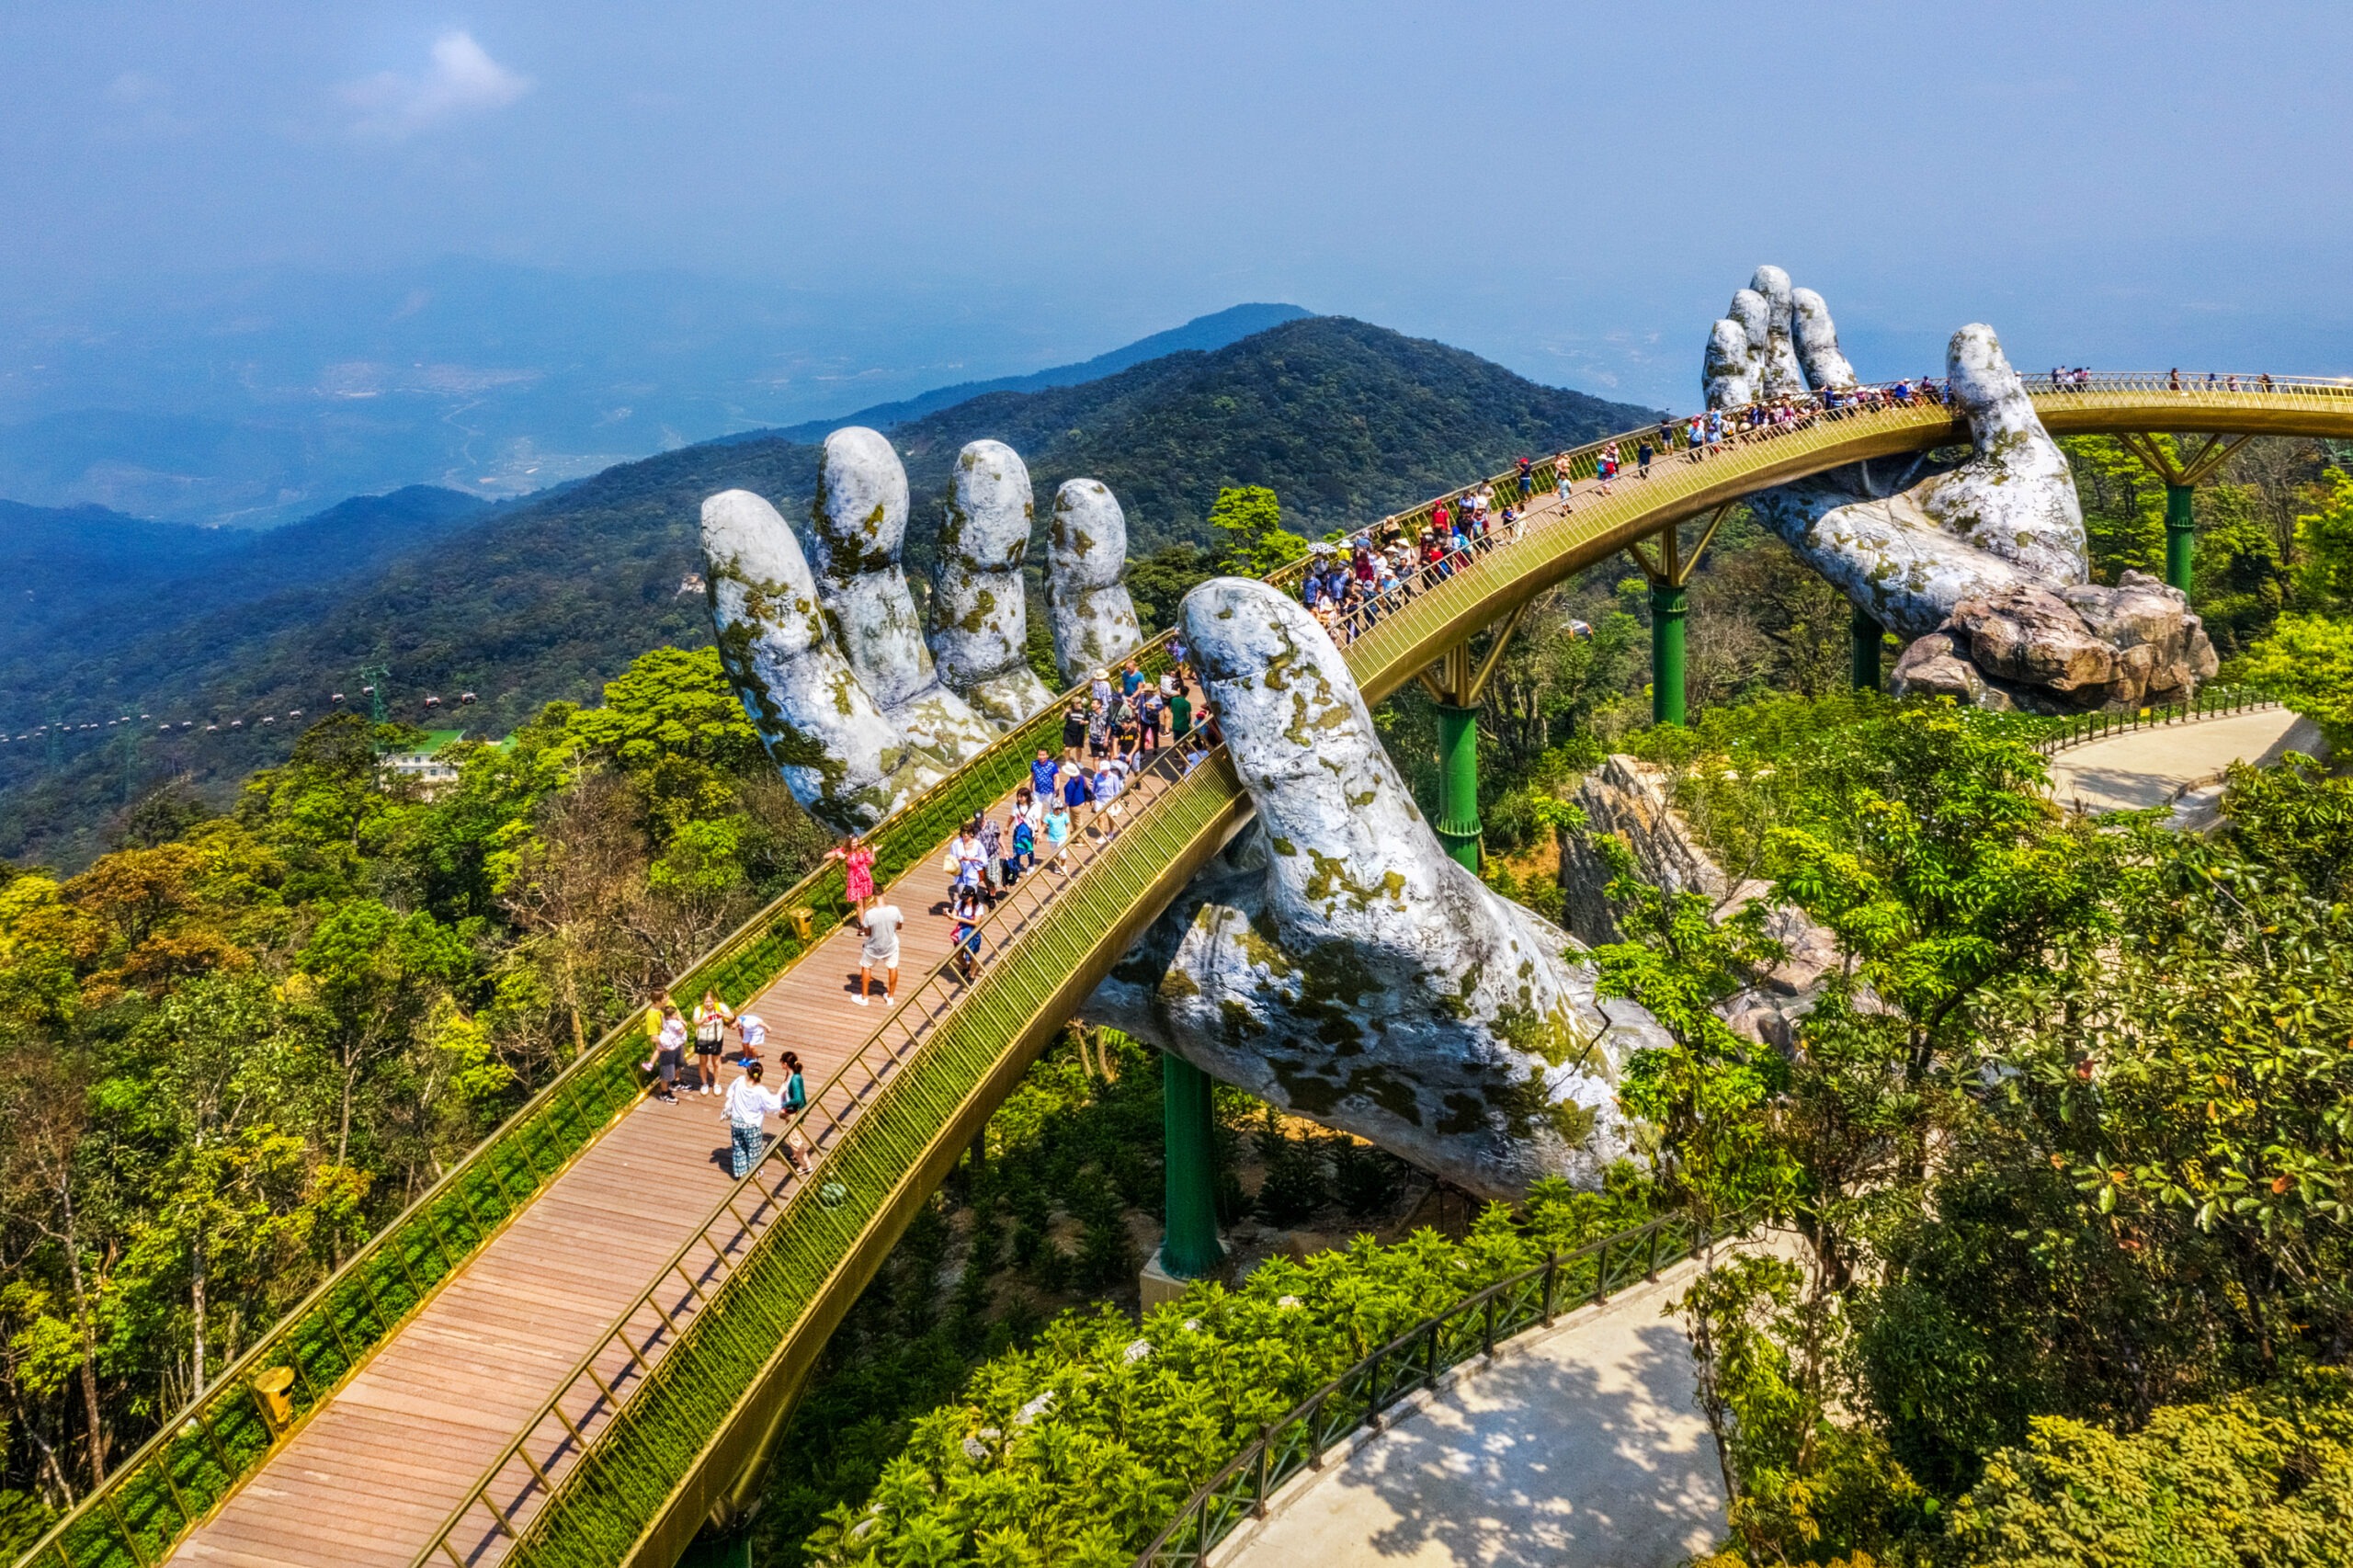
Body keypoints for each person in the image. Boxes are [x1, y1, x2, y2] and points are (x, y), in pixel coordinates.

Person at [720, 1061, 785, 1178]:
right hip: (752, 1125)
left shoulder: (739, 1081)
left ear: (748, 1072)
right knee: (753, 1151)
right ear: (761, 1075)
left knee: (738, 1148)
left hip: (736, 1122)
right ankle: (754, 1174)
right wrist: (781, 1096)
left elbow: (730, 1092)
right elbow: (772, 1105)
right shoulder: (760, 1091)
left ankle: (741, 1173)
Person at [857, 898, 903, 1006]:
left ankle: (864, 998)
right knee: (892, 967)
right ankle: (890, 997)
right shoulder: (894, 910)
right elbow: (899, 926)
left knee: (866, 967)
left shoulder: (869, 914)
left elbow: (867, 933)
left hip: (873, 946)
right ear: (884, 895)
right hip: (890, 945)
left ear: (873, 898)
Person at [642, 1004, 688, 1103]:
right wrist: (683, 1023)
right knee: (667, 1072)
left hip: (674, 1045)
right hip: (669, 1046)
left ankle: (675, 1082)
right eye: (675, 1014)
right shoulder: (673, 1023)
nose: (677, 1015)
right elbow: (681, 1030)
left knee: (677, 1064)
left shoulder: (664, 1019)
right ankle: (664, 1093)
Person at [692, 990, 733, 1095]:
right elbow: (695, 1021)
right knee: (703, 1061)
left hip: (717, 1038)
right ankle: (704, 1083)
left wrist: (722, 1014)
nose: (709, 1004)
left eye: (711, 1002)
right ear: (703, 1001)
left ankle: (716, 1083)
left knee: (716, 1062)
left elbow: (731, 1016)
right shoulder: (699, 1009)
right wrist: (702, 1020)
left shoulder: (720, 1006)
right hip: (702, 1039)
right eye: (706, 1002)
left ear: (714, 1000)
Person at [824, 834, 876, 911]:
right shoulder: (844, 850)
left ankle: (864, 915)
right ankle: (861, 918)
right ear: (849, 843)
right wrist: (837, 854)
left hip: (865, 877)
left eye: (856, 842)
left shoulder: (862, 849)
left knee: (865, 899)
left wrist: (873, 851)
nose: (855, 844)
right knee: (859, 902)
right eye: (853, 843)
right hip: (854, 879)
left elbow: (871, 861)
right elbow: (826, 856)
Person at [950, 889, 984, 981]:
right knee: (957, 955)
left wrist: (961, 919)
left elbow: (976, 922)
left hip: (972, 933)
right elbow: (953, 916)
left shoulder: (978, 907)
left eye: (966, 897)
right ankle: (966, 967)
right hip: (961, 933)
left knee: (973, 955)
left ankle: (972, 975)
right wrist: (948, 914)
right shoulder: (960, 903)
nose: (964, 899)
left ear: (972, 897)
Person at [1043, 795, 1073, 869]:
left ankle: (1063, 866)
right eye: (1057, 809)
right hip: (1052, 838)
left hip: (1062, 837)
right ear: (1053, 809)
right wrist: (1039, 834)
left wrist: (1068, 835)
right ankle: (1057, 865)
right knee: (1055, 854)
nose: (1059, 811)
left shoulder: (1064, 815)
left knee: (1062, 854)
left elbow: (1067, 825)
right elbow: (1044, 826)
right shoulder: (1048, 816)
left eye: (1060, 809)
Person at [1007, 809, 1035, 884]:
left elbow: (1037, 819)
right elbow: (1012, 817)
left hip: (1028, 833)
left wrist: (1038, 832)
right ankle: (1016, 871)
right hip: (1018, 833)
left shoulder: (1033, 806)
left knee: (1029, 850)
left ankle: (1031, 865)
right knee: (1016, 853)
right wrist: (1007, 826)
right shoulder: (1015, 807)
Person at [1061, 700, 1087, 765]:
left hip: (1079, 732)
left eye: (1080, 702)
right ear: (1073, 704)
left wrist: (1084, 722)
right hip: (1068, 732)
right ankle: (1067, 761)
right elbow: (1061, 719)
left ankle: (1079, 762)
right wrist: (1065, 712)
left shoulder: (1084, 711)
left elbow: (1088, 721)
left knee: (1078, 748)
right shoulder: (1070, 710)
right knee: (1067, 748)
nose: (1079, 704)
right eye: (1077, 703)